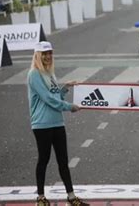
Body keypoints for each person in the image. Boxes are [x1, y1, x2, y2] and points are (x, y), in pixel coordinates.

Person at [27, 41, 89, 206]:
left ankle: (71, 197)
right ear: (37, 55)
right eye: (44, 54)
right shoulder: (34, 74)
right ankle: (40, 198)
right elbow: (48, 99)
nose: (47, 56)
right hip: (42, 125)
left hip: (57, 123)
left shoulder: (50, 74)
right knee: (44, 160)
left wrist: (65, 88)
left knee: (63, 161)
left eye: (49, 53)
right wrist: (70, 107)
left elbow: (55, 97)